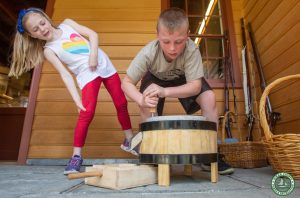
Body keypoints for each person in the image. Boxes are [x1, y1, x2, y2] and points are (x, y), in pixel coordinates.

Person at [10, 8, 138, 175]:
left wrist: (93, 56)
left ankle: (129, 139)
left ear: (46, 18)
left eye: (42, 23)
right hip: (87, 75)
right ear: (33, 36)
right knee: (87, 113)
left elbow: (93, 35)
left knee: (121, 102)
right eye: (36, 29)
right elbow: (66, 75)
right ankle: (76, 156)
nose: (42, 29)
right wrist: (77, 99)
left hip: (104, 65)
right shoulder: (49, 50)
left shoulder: (68, 24)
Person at [121, 7, 234, 175]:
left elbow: (195, 86)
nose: (172, 48)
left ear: (187, 35)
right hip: (155, 76)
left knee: (209, 97)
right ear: (157, 34)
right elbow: (126, 83)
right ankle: (153, 155)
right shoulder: (148, 53)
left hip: (185, 78)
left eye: (179, 41)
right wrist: (141, 100)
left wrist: (165, 91)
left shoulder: (191, 50)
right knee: (145, 104)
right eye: (166, 42)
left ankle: (211, 155)